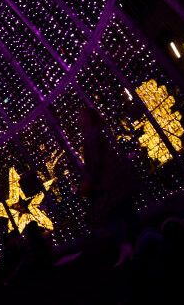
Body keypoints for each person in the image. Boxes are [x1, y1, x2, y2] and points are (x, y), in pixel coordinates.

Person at [79, 106, 140, 265]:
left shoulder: (90, 136)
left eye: (81, 116)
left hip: (107, 182)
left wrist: (90, 181)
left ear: (87, 118)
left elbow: (95, 162)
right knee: (124, 210)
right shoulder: (97, 133)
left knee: (110, 214)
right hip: (115, 179)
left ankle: (127, 246)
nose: (78, 120)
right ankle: (138, 241)